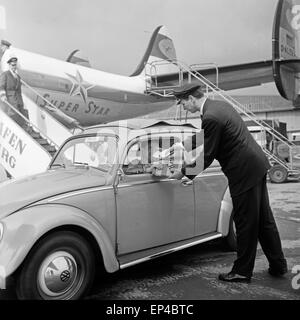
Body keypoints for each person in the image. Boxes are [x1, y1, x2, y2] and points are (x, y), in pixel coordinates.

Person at [168, 83, 287, 283]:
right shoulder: (218, 107)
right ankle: (278, 265)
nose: (182, 106)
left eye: (181, 102)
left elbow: (207, 156)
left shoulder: (211, 116)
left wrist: (182, 173)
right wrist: (182, 144)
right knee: (264, 221)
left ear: (190, 98)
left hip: (243, 172)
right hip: (255, 166)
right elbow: (208, 135)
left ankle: (242, 271)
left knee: (245, 223)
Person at [0, 56, 29, 128]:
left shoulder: (18, 77)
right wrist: (3, 95)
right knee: (13, 115)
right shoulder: (5, 74)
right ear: (9, 65)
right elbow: (1, 86)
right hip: (10, 99)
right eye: (12, 65)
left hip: (18, 100)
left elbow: (19, 90)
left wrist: (22, 101)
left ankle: (25, 128)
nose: (14, 67)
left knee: (22, 114)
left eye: (15, 65)